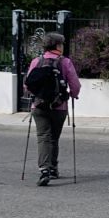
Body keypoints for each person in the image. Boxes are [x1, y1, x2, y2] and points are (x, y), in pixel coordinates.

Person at [24, 32, 80, 187]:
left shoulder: (37, 61)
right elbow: (75, 84)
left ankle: (44, 170)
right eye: (62, 44)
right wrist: (74, 94)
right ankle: (53, 168)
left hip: (39, 106)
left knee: (43, 137)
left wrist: (36, 94)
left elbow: (27, 84)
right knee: (53, 138)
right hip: (59, 107)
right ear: (58, 46)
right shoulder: (65, 62)